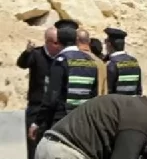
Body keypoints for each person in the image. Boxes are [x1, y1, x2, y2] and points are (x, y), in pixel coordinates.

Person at [31, 20, 99, 149]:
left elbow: (52, 97)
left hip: (62, 123)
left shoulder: (60, 61)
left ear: (59, 41)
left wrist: (37, 123)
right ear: (75, 39)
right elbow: (93, 95)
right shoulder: (90, 61)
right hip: (83, 122)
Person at [16, 26, 59, 159]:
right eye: (56, 42)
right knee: (33, 147)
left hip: (54, 108)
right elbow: (22, 64)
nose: (59, 45)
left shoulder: (62, 57)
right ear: (48, 42)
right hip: (36, 106)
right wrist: (27, 52)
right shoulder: (36, 54)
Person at [104, 28, 143, 95]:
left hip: (116, 101)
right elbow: (139, 90)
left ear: (109, 44)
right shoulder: (134, 62)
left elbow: (108, 91)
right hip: (132, 101)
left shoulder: (111, 64)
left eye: (105, 41)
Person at [76, 29, 108, 96]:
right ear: (89, 41)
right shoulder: (100, 63)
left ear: (76, 40)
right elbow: (104, 91)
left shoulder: (73, 60)